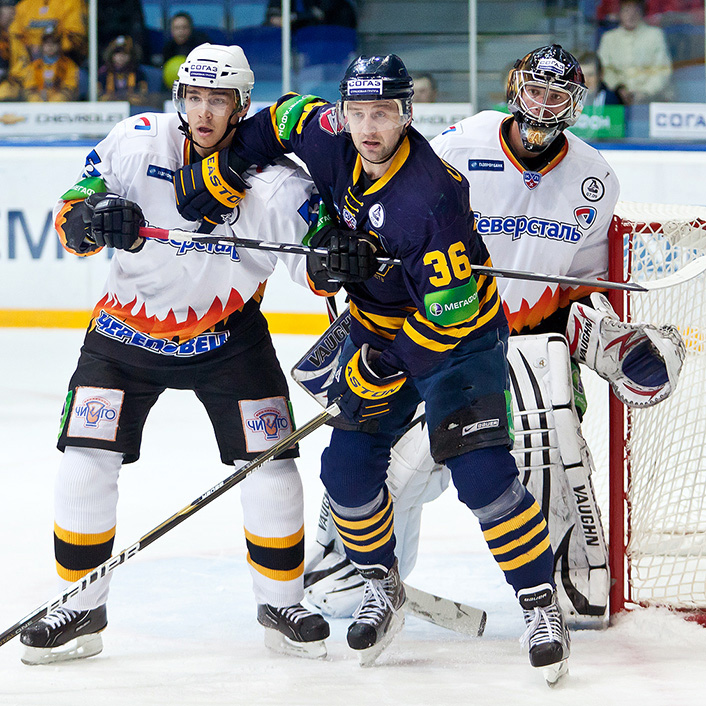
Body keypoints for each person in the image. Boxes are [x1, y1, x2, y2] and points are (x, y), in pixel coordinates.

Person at [173, 53, 572, 681]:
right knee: (346, 474)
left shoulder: (431, 196)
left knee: (482, 476)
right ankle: (382, 585)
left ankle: (538, 603)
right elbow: (279, 119)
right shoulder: (327, 132)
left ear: (407, 115)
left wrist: (382, 367)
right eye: (357, 113)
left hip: (457, 340)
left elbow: (451, 313)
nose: (368, 128)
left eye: (382, 113)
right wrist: (225, 166)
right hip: (376, 324)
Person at [303, 45, 685, 631]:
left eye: (557, 95)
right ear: (514, 88)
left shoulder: (596, 179)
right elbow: (378, 211)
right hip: (427, 335)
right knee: (386, 463)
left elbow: (580, 286)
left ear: (575, 104)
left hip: (525, 347)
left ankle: (557, 587)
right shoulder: (460, 144)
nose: (543, 106)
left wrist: (606, 340)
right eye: (535, 90)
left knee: (540, 455)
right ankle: (362, 574)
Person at [19, 43, 330, 666]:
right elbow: (75, 206)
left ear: (242, 105)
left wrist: (337, 256)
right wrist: (91, 219)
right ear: (179, 98)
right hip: (123, 335)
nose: (204, 112)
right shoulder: (137, 140)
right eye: (194, 97)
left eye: (218, 100)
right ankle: (79, 608)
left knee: (271, 467)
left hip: (230, 339)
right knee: (85, 459)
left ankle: (282, 604)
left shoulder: (277, 181)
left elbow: (318, 264)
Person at [597, 0, 672, 105]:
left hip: (651, 97)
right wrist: (619, 88)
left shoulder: (655, 35)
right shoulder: (609, 38)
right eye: (626, 11)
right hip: (618, 96)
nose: (631, 15)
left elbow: (662, 70)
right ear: (620, 13)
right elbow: (605, 69)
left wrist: (645, 92)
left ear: (642, 13)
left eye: (635, 11)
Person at [7, 0, 86, 74]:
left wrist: (48, 48)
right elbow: (15, 35)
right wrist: (27, 50)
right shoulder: (24, 5)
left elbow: (75, 35)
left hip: (63, 62)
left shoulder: (71, 3)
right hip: (29, 62)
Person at [20, 26, 78, 102]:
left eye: (54, 43)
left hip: (59, 101)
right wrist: (37, 96)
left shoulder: (68, 64)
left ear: (59, 45)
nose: (50, 46)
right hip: (39, 98)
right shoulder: (35, 65)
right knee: (33, 99)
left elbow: (70, 87)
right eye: (46, 43)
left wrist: (57, 96)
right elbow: (29, 86)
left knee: (59, 99)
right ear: (42, 45)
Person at [98, 35, 148, 106]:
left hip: (132, 107)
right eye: (117, 53)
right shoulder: (104, 73)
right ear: (111, 55)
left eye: (125, 54)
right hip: (109, 107)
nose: (121, 57)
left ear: (131, 56)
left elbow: (143, 95)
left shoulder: (138, 73)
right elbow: (99, 95)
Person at [265, 0, 357, 31]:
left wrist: (293, 17)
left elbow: (320, 13)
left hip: (329, 48)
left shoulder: (343, 7)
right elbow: (273, 17)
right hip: (291, 51)